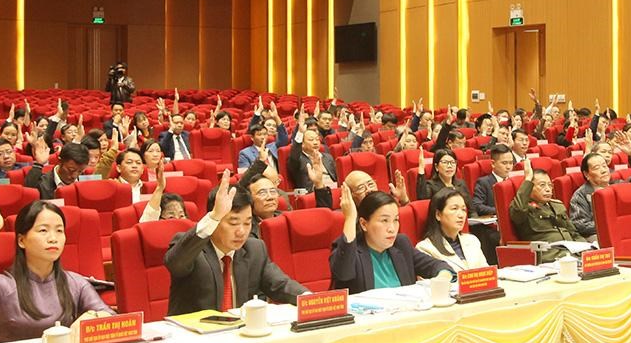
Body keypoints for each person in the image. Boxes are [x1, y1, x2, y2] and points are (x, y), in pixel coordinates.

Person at [0, 189, 112, 343]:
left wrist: (93, 316)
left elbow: (109, 317)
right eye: (43, 230)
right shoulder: (5, 285)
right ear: (21, 240)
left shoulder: (75, 283)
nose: (53, 238)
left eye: (59, 230)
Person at [164, 172, 307, 315]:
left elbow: (281, 285)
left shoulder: (254, 249)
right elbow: (176, 263)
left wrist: (311, 300)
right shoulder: (192, 248)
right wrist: (213, 217)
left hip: (240, 327)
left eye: (247, 223)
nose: (241, 231)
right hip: (194, 329)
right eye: (233, 223)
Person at [330, 187, 451, 294]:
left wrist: (442, 277)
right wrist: (350, 218)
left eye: (396, 220)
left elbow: (440, 266)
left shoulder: (401, 244)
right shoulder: (350, 250)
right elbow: (343, 273)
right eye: (384, 220)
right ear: (364, 224)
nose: (392, 229)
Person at [569, 137, 631, 239]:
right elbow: (580, 224)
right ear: (587, 174)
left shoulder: (618, 185)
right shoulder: (580, 195)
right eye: (597, 168)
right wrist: (612, 225)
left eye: (604, 166)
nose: (603, 170)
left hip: (628, 232)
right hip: (600, 236)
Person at [509, 158, 585, 262]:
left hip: (572, 253)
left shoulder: (557, 205)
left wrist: (586, 248)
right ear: (530, 187)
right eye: (542, 185)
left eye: (550, 185)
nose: (548, 189)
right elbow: (518, 210)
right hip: (549, 256)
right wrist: (528, 179)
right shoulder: (524, 208)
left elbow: (574, 233)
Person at [414, 188, 488, 272]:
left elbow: (488, 273)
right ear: (438, 215)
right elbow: (429, 281)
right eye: (454, 208)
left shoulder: (472, 240)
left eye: (463, 209)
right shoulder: (425, 248)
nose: (461, 215)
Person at [288, 110, 337, 190]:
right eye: (311, 140)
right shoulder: (298, 159)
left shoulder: (328, 157)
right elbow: (294, 154)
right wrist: (300, 132)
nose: (315, 143)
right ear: (302, 144)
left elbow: (337, 178)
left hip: (333, 188)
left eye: (317, 139)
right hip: (314, 192)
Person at [24, 140, 90, 199]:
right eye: (71, 170)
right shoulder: (43, 183)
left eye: (80, 171)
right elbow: (29, 194)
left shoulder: (86, 181)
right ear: (60, 161)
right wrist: (39, 164)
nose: (74, 176)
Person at [472, 144, 514, 216]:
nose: (508, 167)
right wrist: (501, 211)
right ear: (493, 163)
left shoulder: (513, 181)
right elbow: (477, 205)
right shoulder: (483, 182)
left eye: (511, 163)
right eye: (504, 163)